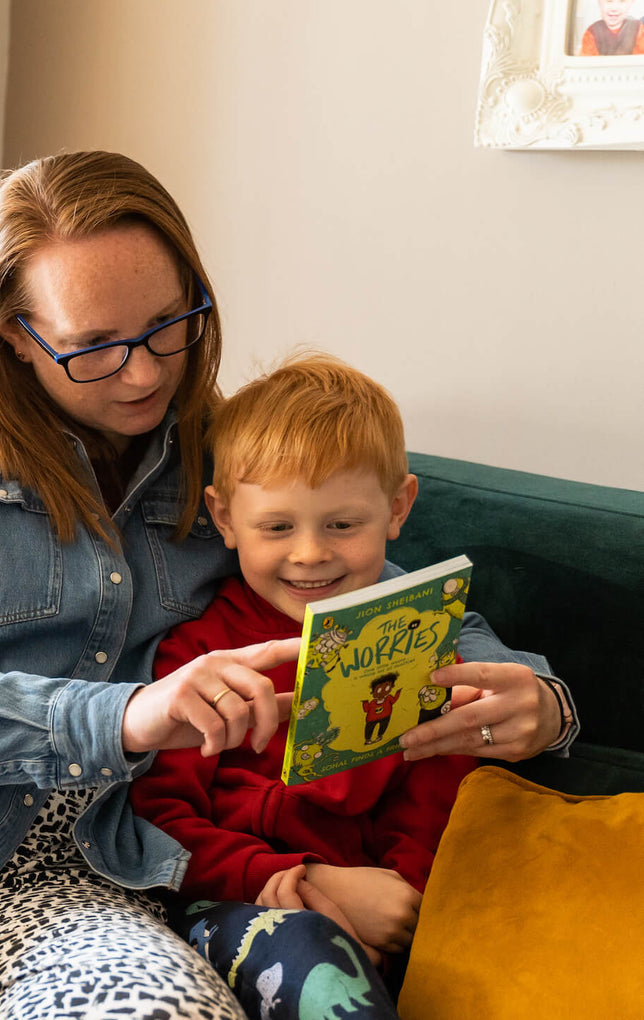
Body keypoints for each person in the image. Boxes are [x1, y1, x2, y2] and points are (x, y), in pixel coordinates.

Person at [0, 152, 575, 1020]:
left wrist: (536, 698)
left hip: (67, 863)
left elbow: (370, 593)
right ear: (16, 336)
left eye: (167, 327)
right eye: (92, 346)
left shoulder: (223, 459)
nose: (143, 372)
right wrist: (127, 716)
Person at [129, 353, 578, 1018]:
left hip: (394, 912)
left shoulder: (419, 638)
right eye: (277, 527)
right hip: (237, 902)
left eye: (342, 524)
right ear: (224, 519)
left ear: (398, 508)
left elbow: (436, 787)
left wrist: (403, 903)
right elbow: (160, 820)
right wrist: (295, 883)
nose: (310, 552)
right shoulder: (201, 654)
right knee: (317, 967)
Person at [579, 0, 644, 55]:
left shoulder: (638, 29)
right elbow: (587, 63)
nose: (614, 8)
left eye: (622, 1)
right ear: (599, 2)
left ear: (631, 3)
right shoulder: (592, 32)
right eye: (609, 1)